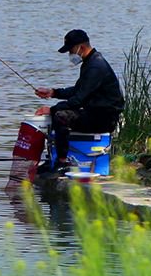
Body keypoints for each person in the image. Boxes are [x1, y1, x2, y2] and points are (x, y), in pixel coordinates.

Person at [34, 28, 124, 170]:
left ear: (81, 47)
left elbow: (78, 100)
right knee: (60, 113)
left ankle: (61, 162)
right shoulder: (90, 62)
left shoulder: (96, 66)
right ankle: (54, 157)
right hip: (95, 113)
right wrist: (53, 92)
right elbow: (78, 90)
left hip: (104, 119)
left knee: (60, 116)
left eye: (71, 50)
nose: (70, 54)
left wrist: (51, 109)